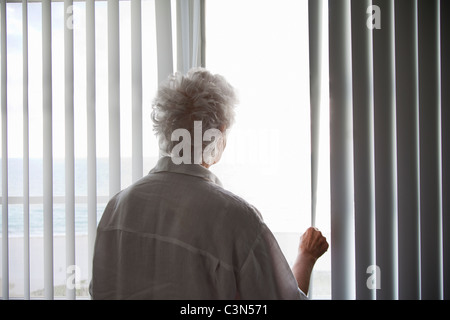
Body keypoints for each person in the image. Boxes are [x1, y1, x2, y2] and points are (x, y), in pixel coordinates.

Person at [90, 68, 329, 299]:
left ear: (165, 131)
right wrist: (306, 256)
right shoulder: (238, 220)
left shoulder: (116, 208)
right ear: (219, 135)